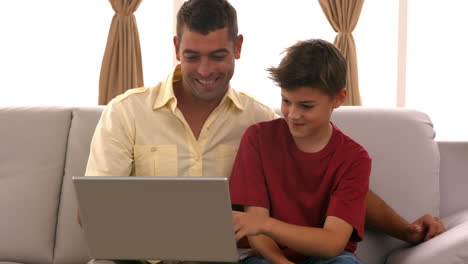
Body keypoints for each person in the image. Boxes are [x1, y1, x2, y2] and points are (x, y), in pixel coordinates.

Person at [82, 0, 445, 263]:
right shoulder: (127, 111)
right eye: (192, 55)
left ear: (238, 48)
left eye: (218, 55)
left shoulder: (259, 120)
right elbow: (94, 212)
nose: (205, 69)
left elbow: (334, 181)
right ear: (176, 48)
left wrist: (406, 230)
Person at [229, 38, 369, 264]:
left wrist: (266, 224)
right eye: (286, 101)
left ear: (338, 98)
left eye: (306, 106)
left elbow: (332, 242)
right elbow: (256, 233)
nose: (292, 114)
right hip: (267, 258)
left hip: (326, 258)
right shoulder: (257, 138)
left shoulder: (355, 158)